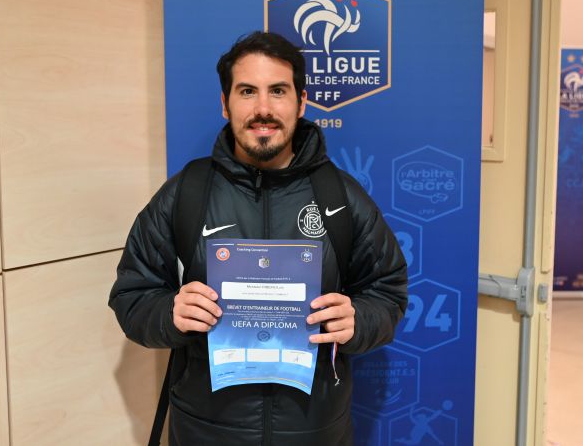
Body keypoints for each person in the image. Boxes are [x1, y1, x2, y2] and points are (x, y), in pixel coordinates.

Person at [109, 31, 408, 445]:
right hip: (206, 433)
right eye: (247, 91)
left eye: (278, 91)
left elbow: (388, 292)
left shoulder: (340, 197)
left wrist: (358, 319)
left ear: (301, 102)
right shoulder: (186, 194)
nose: (263, 108)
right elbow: (131, 295)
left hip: (315, 432)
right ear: (225, 103)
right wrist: (169, 313)